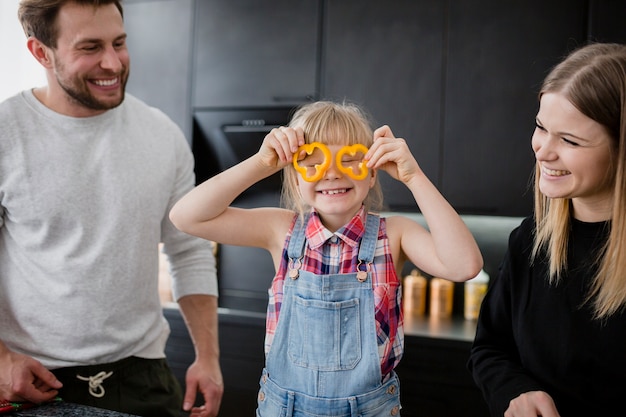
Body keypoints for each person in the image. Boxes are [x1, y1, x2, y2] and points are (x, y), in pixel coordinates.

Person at [170, 100, 483, 416]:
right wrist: (261, 163)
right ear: (295, 178)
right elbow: (186, 217)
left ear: (372, 173)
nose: (332, 173)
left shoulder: (395, 234)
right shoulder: (281, 230)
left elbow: (464, 265)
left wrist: (414, 177)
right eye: (313, 162)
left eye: (349, 160)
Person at [0, 1, 223, 416]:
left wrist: (207, 357)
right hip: (32, 378)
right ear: (40, 52)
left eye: (119, 43)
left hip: (145, 377)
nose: (112, 63)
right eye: (90, 48)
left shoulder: (162, 134)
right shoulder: (6, 132)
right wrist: (1, 359)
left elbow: (189, 251)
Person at [467, 42, 626, 417]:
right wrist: (514, 391)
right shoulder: (530, 242)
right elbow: (490, 349)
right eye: (541, 127)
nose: (543, 150)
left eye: (569, 140)